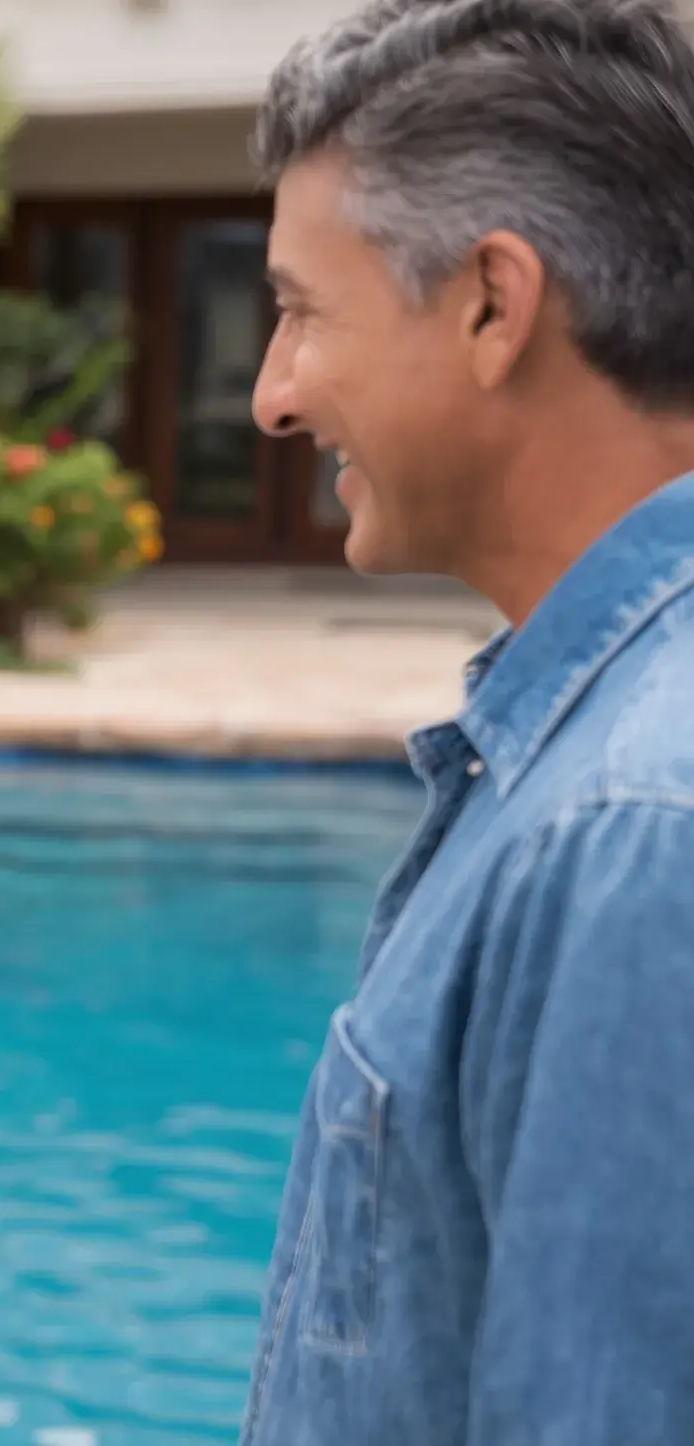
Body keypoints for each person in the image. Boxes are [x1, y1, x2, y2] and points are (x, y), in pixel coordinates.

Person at [242, 1, 694, 1442]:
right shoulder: (587, 765)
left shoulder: (633, 834)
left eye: (304, 308)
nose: (271, 394)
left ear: (494, 304)